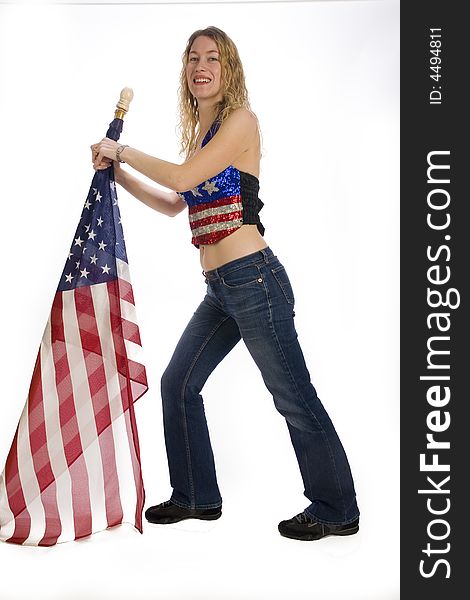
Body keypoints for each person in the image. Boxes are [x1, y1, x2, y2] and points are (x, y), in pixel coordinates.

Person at [90, 26, 360, 541]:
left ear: (228, 69)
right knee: (179, 384)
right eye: (193, 59)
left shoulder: (241, 121)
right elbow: (176, 203)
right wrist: (115, 174)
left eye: (212, 58)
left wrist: (121, 152)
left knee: (292, 395)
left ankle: (337, 507)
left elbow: (181, 179)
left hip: (254, 280)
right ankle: (196, 496)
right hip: (220, 287)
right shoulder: (202, 138)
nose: (200, 66)